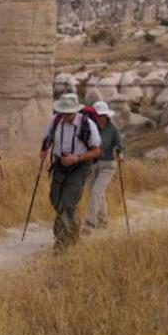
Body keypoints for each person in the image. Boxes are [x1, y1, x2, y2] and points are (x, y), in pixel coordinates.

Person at [39, 93, 101, 252]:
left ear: (75, 111)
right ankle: (74, 231)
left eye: (69, 113)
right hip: (59, 165)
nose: (66, 116)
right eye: (64, 113)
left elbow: (96, 151)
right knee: (55, 199)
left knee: (66, 204)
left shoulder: (87, 125)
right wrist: (44, 150)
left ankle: (61, 244)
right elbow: (47, 138)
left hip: (79, 167)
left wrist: (77, 158)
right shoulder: (55, 121)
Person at [83, 101, 125, 232]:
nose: (101, 118)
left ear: (107, 115)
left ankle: (89, 223)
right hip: (92, 164)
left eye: (103, 115)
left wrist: (120, 153)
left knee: (96, 191)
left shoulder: (113, 129)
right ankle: (103, 221)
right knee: (96, 193)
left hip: (107, 165)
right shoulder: (89, 127)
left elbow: (119, 145)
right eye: (98, 115)